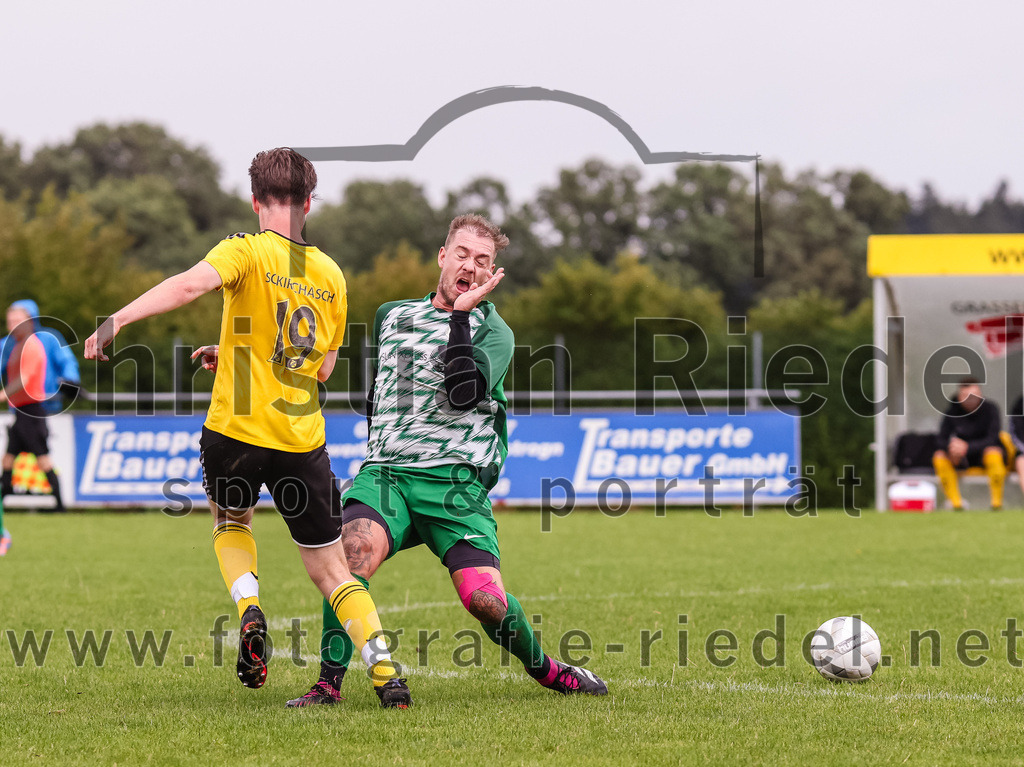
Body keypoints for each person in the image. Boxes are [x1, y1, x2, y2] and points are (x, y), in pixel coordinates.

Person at [84, 147, 411, 707]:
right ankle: (387, 677)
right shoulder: (331, 274)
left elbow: (188, 285)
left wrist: (118, 319)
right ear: (309, 204)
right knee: (333, 571)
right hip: (300, 442)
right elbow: (322, 368)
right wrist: (240, 350)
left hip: (235, 431)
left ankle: (250, 608)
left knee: (231, 522)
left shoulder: (246, 249)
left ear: (256, 201)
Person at [286, 213, 607, 707]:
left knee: (485, 601)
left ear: (492, 273)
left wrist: (460, 316)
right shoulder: (392, 315)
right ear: (442, 256)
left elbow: (461, 394)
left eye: (482, 260)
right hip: (387, 476)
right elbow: (381, 391)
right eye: (461, 254)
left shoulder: (494, 332)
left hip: (454, 485)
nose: (470, 266)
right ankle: (329, 684)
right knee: (348, 556)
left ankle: (547, 670)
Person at [1, 301, 67, 513]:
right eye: (10, 321)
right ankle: (3, 504)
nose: (12, 325)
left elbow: (24, 379)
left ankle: (60, 506)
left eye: (17, 320)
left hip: (31, 411)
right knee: (8, 460)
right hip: (21, 411)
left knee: (43, 459)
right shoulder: (16, 346)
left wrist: (2, 395)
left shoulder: (30, 345)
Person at [932, 376, 1006, 510]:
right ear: (959, 396)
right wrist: (951, 449)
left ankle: (996, 504)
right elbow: (941, 439)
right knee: (939, 456)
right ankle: (956, 504)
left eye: (974, 395)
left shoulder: (991, 409)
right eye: (966, 396)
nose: (971, 399)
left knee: (994, 452)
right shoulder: (951, 412)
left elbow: (993, 438)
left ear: (980, 394)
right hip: (960, 457)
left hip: (983, 454)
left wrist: (968, 447)